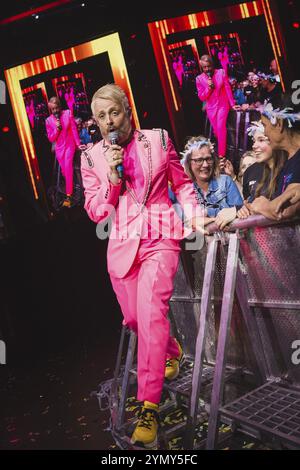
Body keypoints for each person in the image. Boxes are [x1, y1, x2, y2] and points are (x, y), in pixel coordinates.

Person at [81, 83, 206, 448]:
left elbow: (180, 185)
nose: (109, 122)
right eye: (101, 117)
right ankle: (171, 350)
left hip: (161, 234)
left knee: (152, 313)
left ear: (127, 111)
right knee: (136, 319)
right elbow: (97, 212)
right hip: (122, 245)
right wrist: (114, 180)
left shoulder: (157, 139)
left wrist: (195, 217)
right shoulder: (91, 158)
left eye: (114, 113)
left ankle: (148, 408)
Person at [245, 95, 300, 219]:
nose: (264, 132)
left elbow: (284, 210)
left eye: (265, 125)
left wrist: (262, 206)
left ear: (279, 124)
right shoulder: (288, 161)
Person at [180, 136, 243, 229]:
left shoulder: (225, 182)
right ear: (188, 163)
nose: (205, 165)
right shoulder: (185, 190)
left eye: (208, 159)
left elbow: (240, 213)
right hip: (199, 242)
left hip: (229, 240)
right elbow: (183, 223)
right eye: (199, 160)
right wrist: (214, 220)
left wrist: (206, 218)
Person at [237, 121, 287, 219]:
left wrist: (263, 208)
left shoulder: (290, 168)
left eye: (261, 140)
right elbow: (248, 204)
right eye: (254, 141)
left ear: (275, 140)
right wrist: (243, 210)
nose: (254, 146)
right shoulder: (250, 171)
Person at [195, 55, 239, 159]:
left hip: (223, 105)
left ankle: (221, 156)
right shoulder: (199, 79)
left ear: (212, 65)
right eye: (204, 67)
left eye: (208, 66)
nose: (207, 69)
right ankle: (227, 153)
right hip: (211, 109)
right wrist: (209, 88)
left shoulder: (221, 72)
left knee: (221, 128)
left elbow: (228, 89)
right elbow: (202, 97)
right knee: (217, 133)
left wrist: (232, 104)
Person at [46, 97, 85, 207]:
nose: (55, 111)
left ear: (59, 106)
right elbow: (51, 138)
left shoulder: (68, 113)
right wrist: (56, 130)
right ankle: (75, 187)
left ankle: (69, 195)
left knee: (68, 167)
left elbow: (73, 129)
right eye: (52, 109)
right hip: (59, 148)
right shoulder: (48, 121)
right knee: (64, 171)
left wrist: (78, 144)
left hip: (69, 144)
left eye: (56, 108)